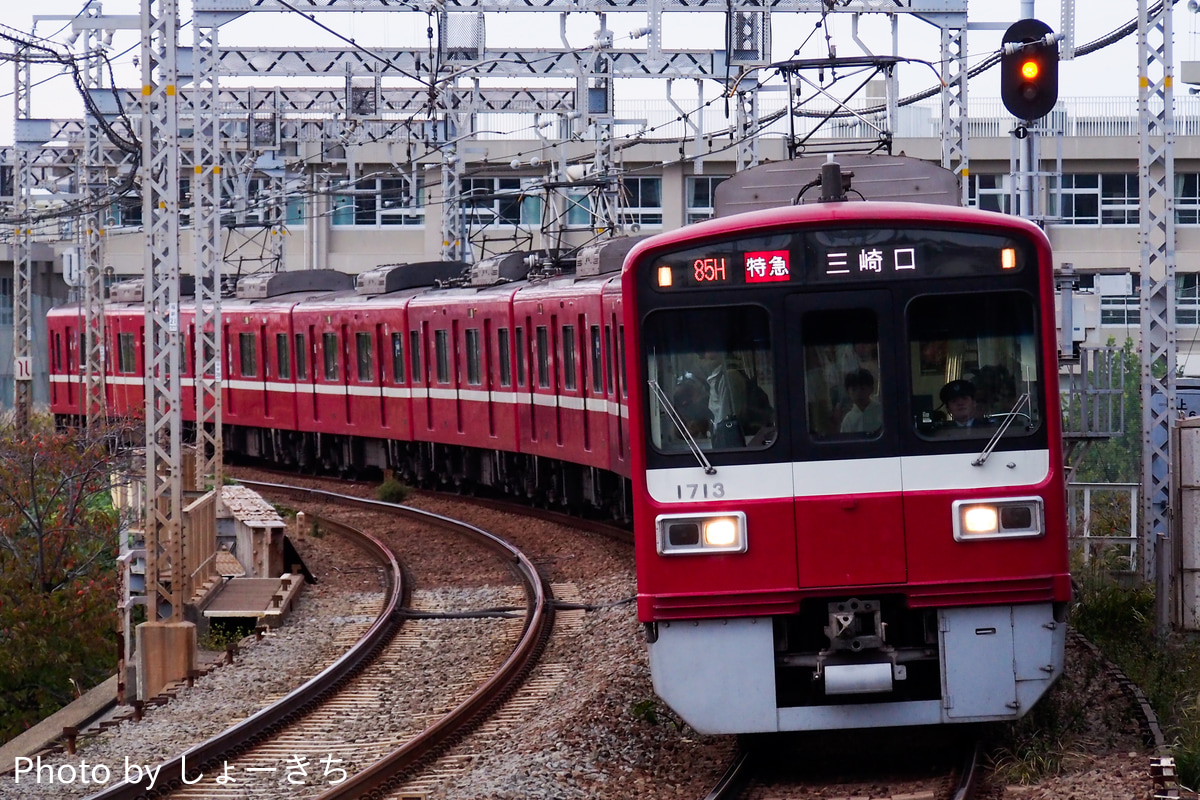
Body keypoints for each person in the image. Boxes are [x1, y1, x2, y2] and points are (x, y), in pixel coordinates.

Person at [840, 368, 882, 434]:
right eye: (854, 390)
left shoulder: (880, 412)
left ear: (871, 389)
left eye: (863, 389)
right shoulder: (848, 419)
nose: (858, 394)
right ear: (848, 392)